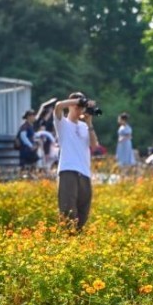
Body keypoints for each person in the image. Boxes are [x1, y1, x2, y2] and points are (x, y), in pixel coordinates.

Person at [53, 92, 99, 231]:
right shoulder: (63, 124)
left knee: (83, 212)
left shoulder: (85, 126)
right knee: (68, 210)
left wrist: (89, 122)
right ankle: (68, 240)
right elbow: (58, 106)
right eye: (77, 106)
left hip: (84, 173)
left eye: (81, 106)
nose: (79, 109)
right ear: (71, 105)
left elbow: (94, 146)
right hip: (68, 171)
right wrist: (77, 101)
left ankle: (77, 242)